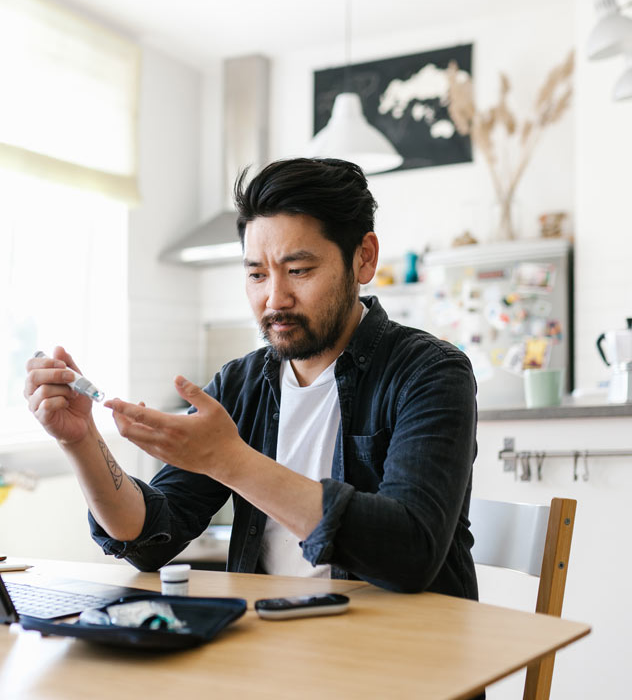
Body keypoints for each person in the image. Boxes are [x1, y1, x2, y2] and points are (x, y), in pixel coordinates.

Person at [24, 157, 478, 599]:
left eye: (299, 271)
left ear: (364, 258)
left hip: (403, 660)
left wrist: (230, 460)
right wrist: (81, 441)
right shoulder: (241, 385)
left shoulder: (429, 372)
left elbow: (411, 553)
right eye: (257, 274)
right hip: (270, 649)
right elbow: (148, 537)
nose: (274, 299)